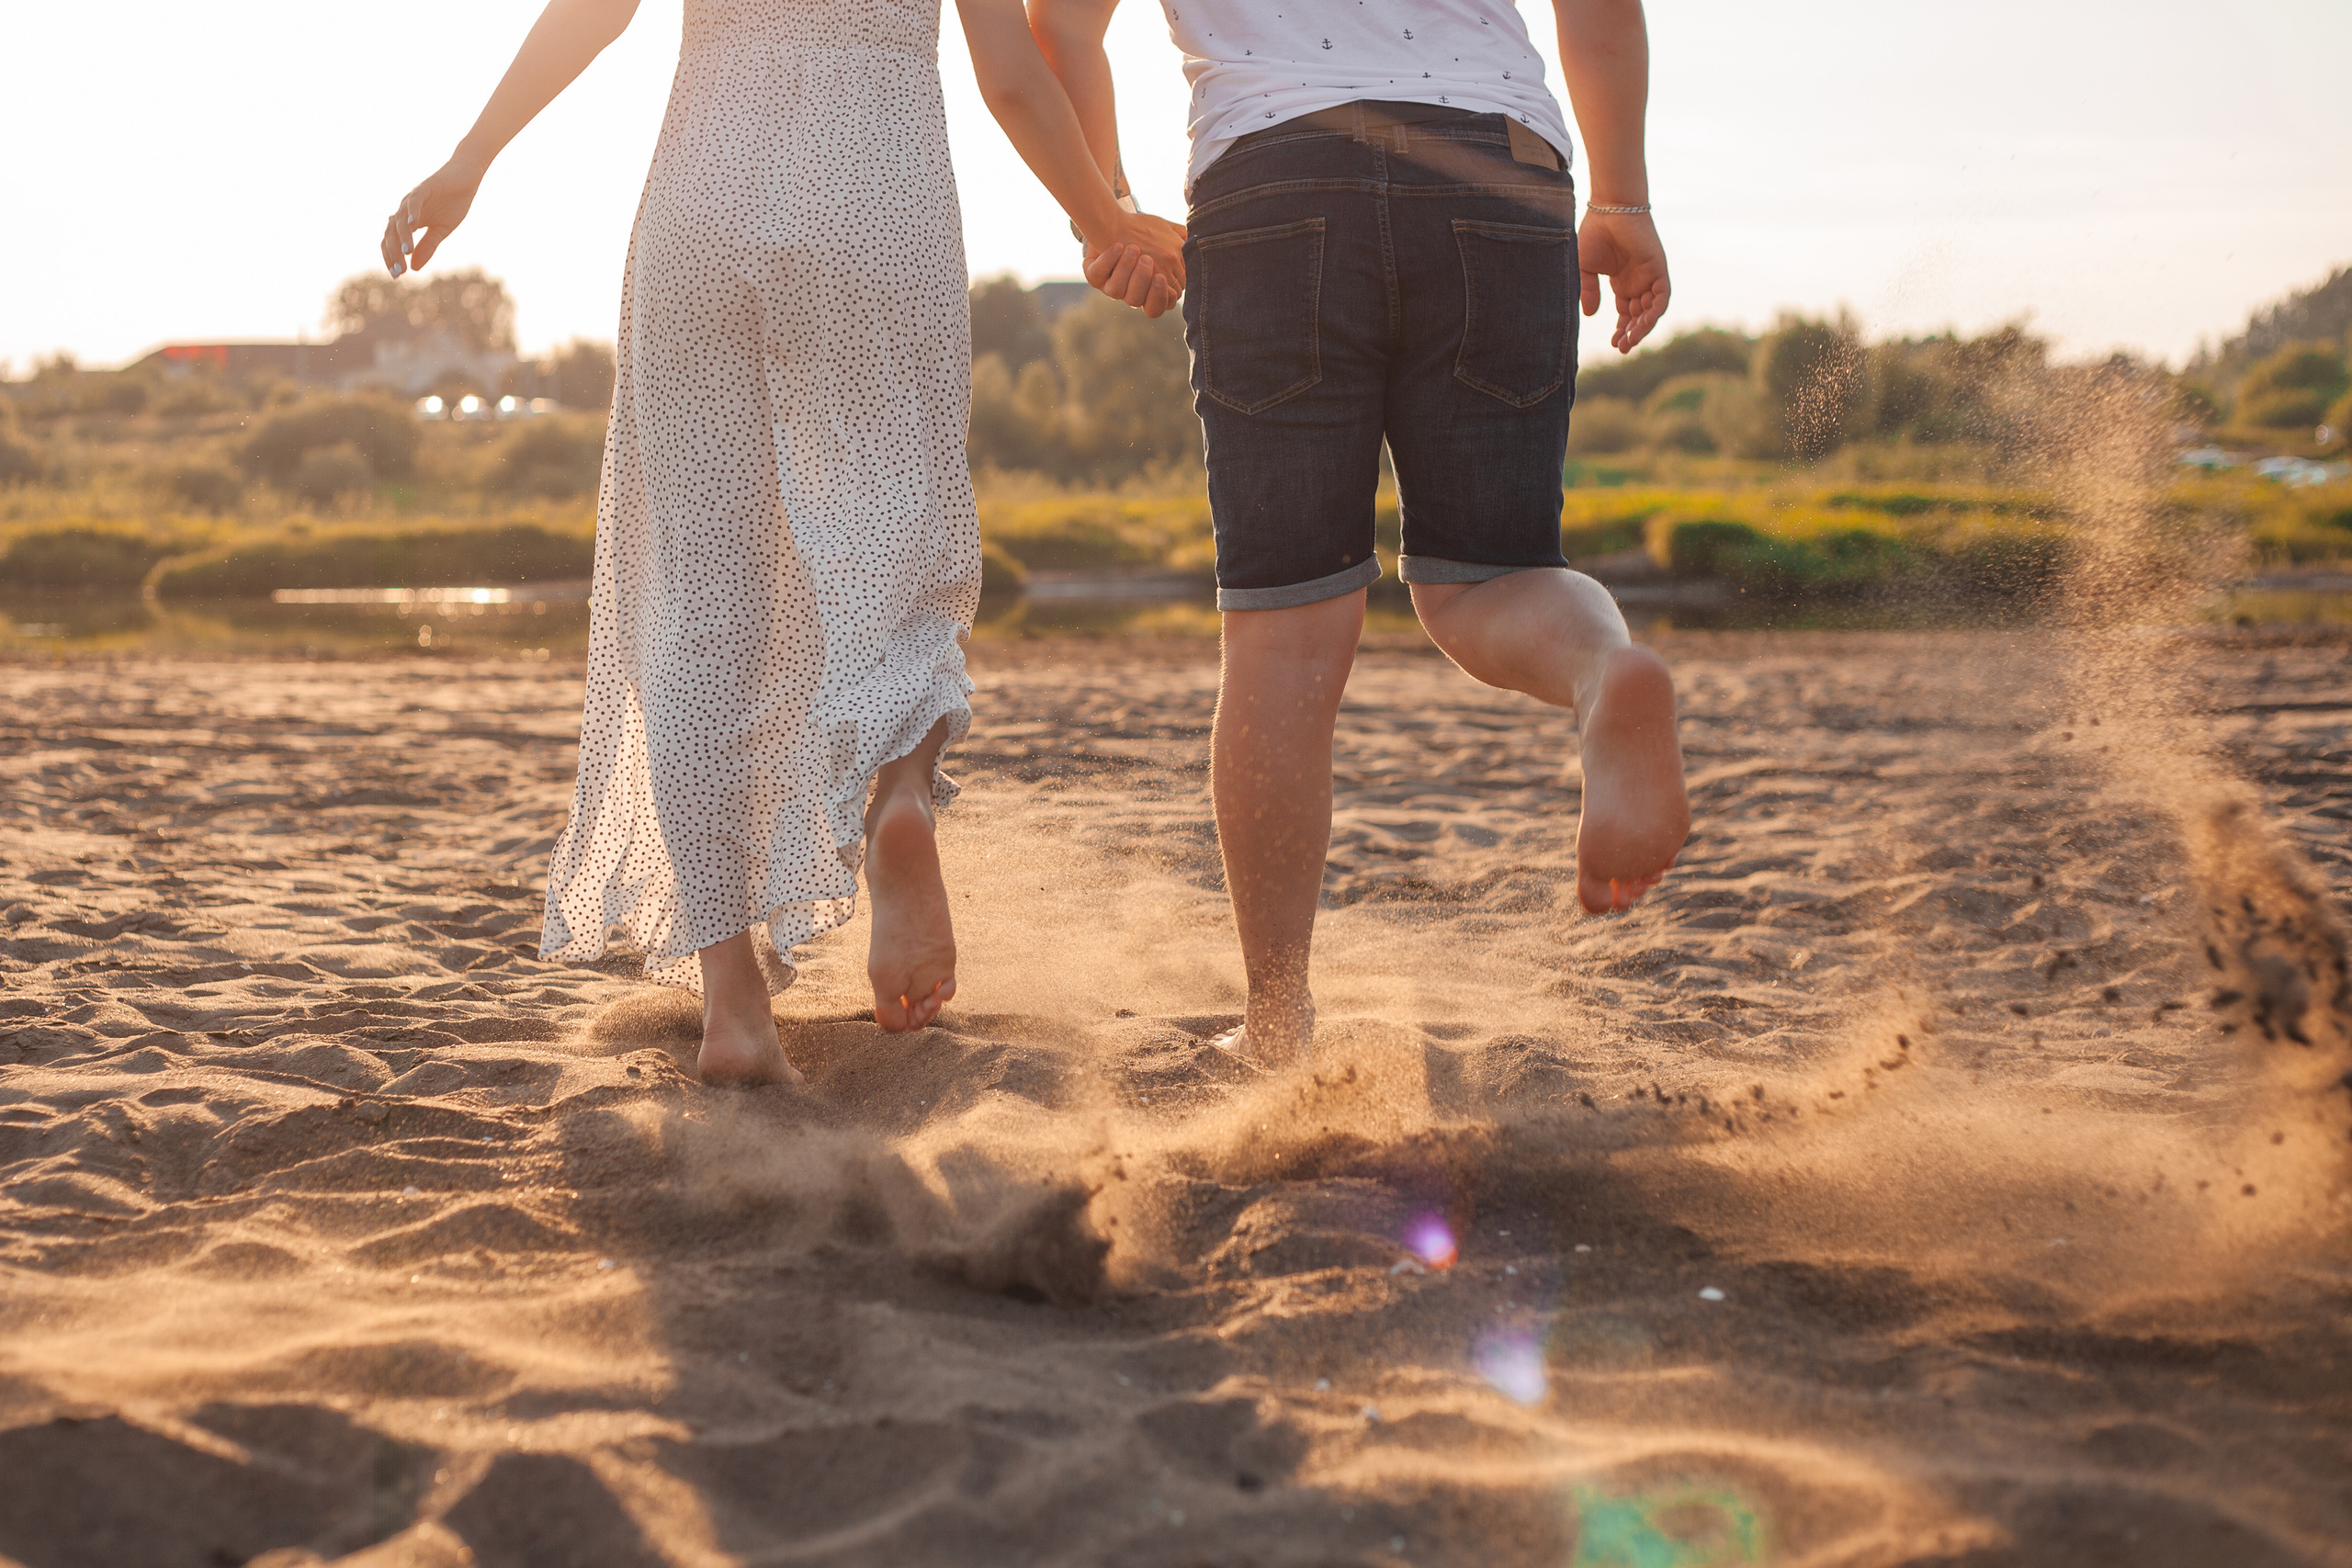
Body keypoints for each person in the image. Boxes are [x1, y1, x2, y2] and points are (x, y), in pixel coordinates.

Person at [379, 0, 1184, 1083]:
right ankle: (899, 791)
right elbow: (1011, 75)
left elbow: (593, 12)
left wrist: (468, 161)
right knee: (900, 526)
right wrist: (1103, 218)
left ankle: (735, 1004)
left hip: (700, 198)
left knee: (704, 601)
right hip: (874, 192)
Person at [1031, 0, 1691, 1062]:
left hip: (1274, 175)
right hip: (1497, 162)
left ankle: (1277, 1026)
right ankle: (1604, 672)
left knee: (1285, 638)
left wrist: (1108, 208)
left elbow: (1056, 30)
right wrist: (1620, 198)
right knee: (1495, 574)